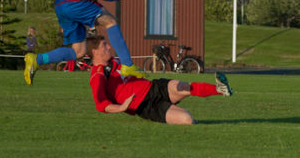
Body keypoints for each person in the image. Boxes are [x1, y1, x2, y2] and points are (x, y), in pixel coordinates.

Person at [87, 35, 233, 125]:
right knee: (187, 119)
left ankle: (221, 89)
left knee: (182, 86)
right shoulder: (98, 76)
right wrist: (121, 108)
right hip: (145, 105)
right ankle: (181, 114)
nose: (109, 47)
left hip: (154, 86)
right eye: (104, 45)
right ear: (95, 52)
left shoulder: (115, 61)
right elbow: (100, 104)